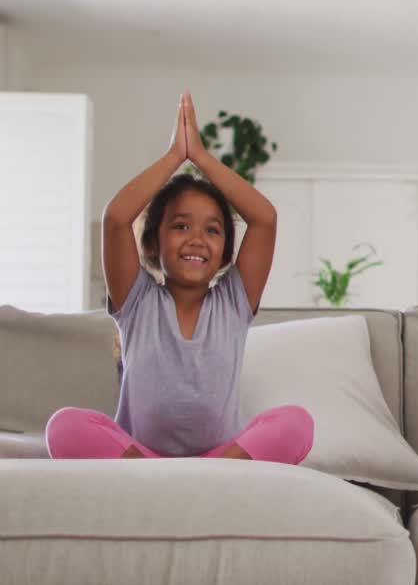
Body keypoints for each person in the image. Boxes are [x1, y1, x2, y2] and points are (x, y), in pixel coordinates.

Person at [46, 92, 313, 464]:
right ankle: (159, 477)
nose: (196, 239)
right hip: (141, 457)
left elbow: (264, 218)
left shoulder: (233, 301)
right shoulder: (137, 301)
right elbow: (117, 218)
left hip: (221, 458)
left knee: (297, 422)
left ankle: (210, 474)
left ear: (226, 253)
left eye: (212, 230)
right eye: (181, 226)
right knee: (63, 425)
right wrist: (175, 157)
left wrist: (200, 157)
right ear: (153, 243)